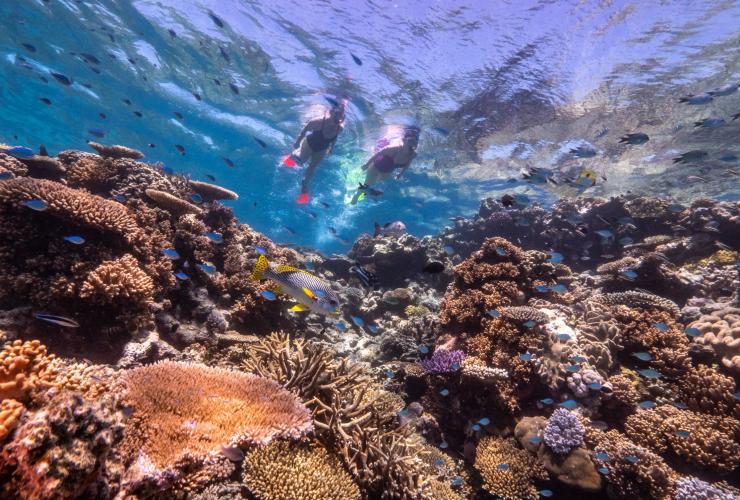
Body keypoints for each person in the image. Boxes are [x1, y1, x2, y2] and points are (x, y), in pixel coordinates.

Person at [285, 104, 345, 204]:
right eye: (336, 115)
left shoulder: (340, 128)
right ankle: (293, 155)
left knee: (313, 167)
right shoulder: (318, 122)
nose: (337, 120)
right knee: (301, 161)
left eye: (340, 117)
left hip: (322, 149)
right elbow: (305, 129)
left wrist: (331, 148)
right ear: (330, 113)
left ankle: (304, 185)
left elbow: (335, 138)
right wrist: (298, 141)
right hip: (309, 143)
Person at [350, 127, 419, 204]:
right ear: (403, 140)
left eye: (414, 141)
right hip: (376, 167)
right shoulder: (393, 149)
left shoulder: (413, 154)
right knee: (367, 184)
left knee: (376, 186)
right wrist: (366, 165)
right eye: (410, 141)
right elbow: (377, 154)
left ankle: (367, 195)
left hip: (387, 171)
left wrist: (400, 174)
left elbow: (407, 165)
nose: (411, 144)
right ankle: (356, 196)